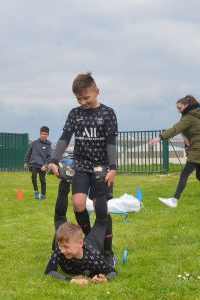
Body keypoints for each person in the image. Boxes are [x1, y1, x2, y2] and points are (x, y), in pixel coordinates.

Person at [48, 72, 118, 265]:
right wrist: (54, 159)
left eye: (86, 97)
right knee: (78, 204)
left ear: (97, 91)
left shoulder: (108, 113)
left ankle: (108, 251)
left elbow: (111, 143)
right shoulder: (75, 113)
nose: (83, 102)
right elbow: (65, 138)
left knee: (99, 208)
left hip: (101, 167)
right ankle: (91, 240)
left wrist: (113, 167)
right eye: (79, 99)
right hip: (81, 165)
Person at [149, 95, 200, 208]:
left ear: (186, 105)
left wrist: (159, 138)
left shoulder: (189, 117)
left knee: (185, 173)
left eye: (180, 108)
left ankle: (174, 201)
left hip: (197, 149)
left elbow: (175, 129)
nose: (178, 111)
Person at [44, 221, 117, 284]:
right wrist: (72, 280)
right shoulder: (59, 250)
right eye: (60, 246)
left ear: (80, 243)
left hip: (94, 243)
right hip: (84, 245)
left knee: (100, 223)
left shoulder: (94, 257)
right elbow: (49, 271)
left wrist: (106, 279)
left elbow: (112, 271)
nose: (62, 250)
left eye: (66, 247)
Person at [24, 126, 52, 200]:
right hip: (34, 163)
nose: (44, 135)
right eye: (42, 134)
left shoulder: (48, 145)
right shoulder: (34, 143)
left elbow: (49, 157)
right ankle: (36, 191)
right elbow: (28, 152)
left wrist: (45, 165)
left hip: (43, 165)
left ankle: (43, 195)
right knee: (33, 176)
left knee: (42, 180)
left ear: (48, 135)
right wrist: (26, 161)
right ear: (40, 134)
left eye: (45, 134)